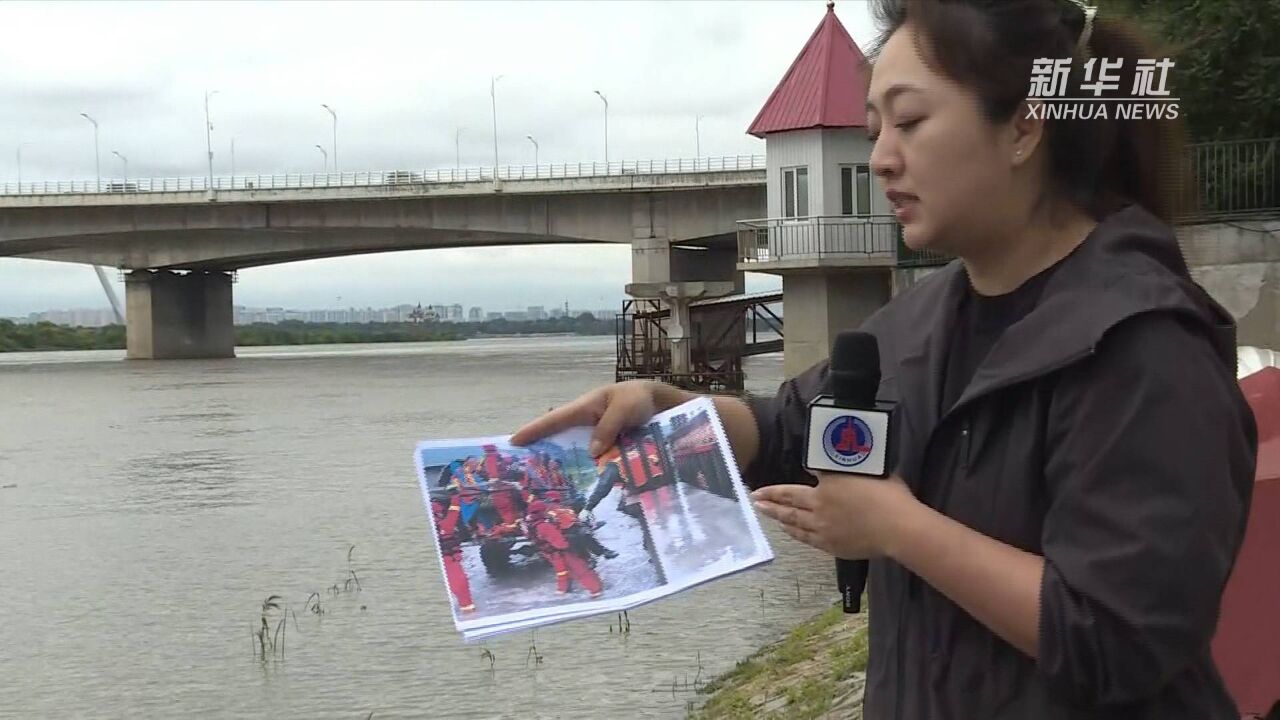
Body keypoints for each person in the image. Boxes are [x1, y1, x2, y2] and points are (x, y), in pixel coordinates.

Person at [511, 1, 1258, 717]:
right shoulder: (917, 324)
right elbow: (788, 430)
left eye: (910, 121)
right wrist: (662, 403)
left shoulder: (1145, 347)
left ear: (1026, 128)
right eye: (874, 129)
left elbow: (1118, 636)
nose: (879, 159)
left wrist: (899, 529)